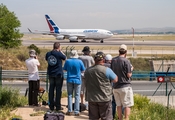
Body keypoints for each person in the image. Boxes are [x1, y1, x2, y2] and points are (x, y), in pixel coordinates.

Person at [84, 52, 118, 120]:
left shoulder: (88, 70)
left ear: (94, 60)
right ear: (103, 60)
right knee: (106, 117)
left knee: (93, 118)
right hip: (104, 98)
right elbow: (115, 80)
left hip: (92, 98)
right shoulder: (106, 70)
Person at [111, 44, 134, 120]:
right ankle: (126, 118)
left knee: (118, 105)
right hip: (125, 86)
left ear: (119, 51)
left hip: (115, 86)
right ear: (126, 52)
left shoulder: (113, 60)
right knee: (127, 105)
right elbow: (129, 75)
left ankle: (119, 118)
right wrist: (131, 69)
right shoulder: (126, 61)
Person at [63, 50, 85, 116]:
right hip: (77, 80)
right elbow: (83, 70)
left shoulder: (68, 61)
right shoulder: (79, 61)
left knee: (69, 95)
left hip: (69, 79)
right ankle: (76, 111)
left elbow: (64, 70)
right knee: (77, 95)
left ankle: (69, 110)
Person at [45, 42, 66, 111]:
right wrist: (61, 52)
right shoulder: (59, 53)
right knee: (58, 90)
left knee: (51, 90)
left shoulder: (48, 54)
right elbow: (64, 57)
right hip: (58, 74)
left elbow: (46, 59)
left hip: (51, 73)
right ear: (59, 47)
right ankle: (58, 106)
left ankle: (51, 106)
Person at [104, 54, 117, 119]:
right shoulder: (112, 65)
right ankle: (112, 115)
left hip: (104, 85)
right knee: (113, 101)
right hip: (112, 84)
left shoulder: (103, 65)